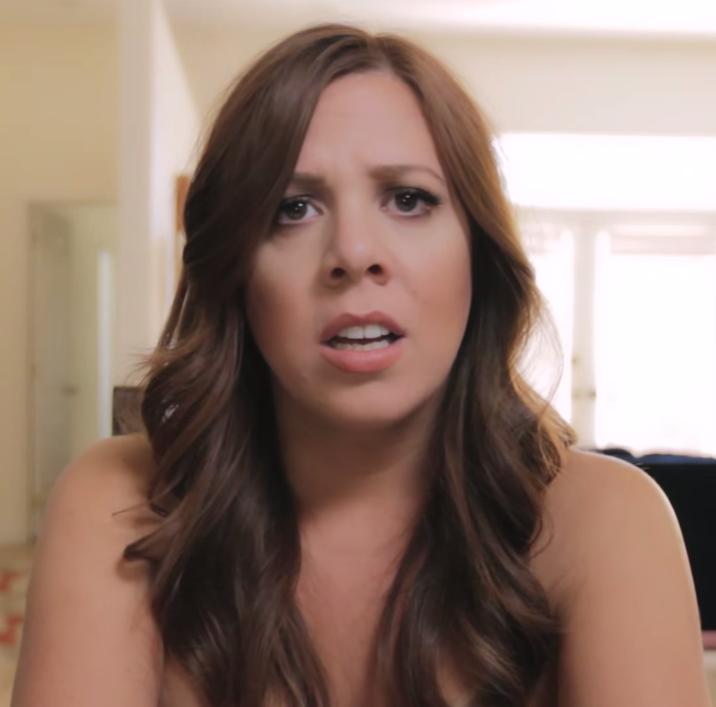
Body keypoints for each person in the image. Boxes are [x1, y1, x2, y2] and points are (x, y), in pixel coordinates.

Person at [11, 23, 711, 707]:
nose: (353, 252)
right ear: (236, 272)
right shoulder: (119, 504)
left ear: (478, 253)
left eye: (408, 199)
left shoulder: (610, 523)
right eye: (293, 207)